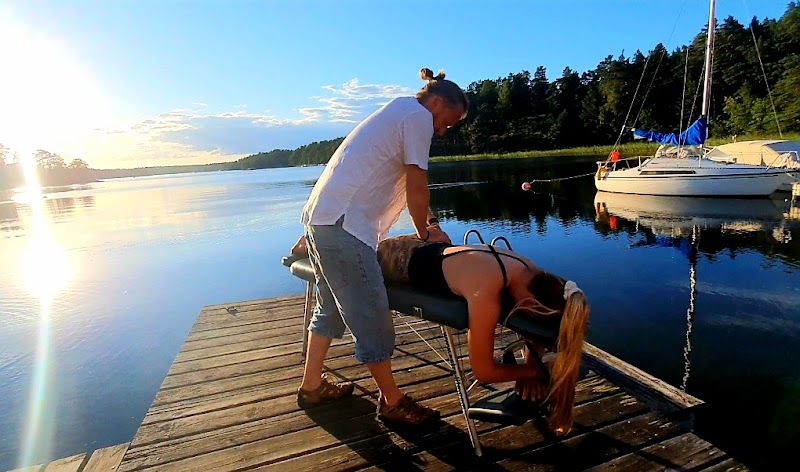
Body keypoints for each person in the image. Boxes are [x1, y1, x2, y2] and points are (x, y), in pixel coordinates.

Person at [296, 67, 469, 426]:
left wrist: (429, 224)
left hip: (323, 220)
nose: (443, 131)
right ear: (437, 102)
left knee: (330, 307)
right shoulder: (417, 117)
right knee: (372, 315)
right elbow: (417, 184)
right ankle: (392, 402)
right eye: (448, 122)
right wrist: (427, 234)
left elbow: (405, 185)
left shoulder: (399, 110)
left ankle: (312, 386)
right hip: (344, 227)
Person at [374, 234, 590, 436]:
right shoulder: (485, 290)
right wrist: (537, 371)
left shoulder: (531, 272)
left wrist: (529, 369)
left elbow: (533, 331)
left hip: (418, 247)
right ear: (531, 304)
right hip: (390, 261)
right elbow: (483, 371)